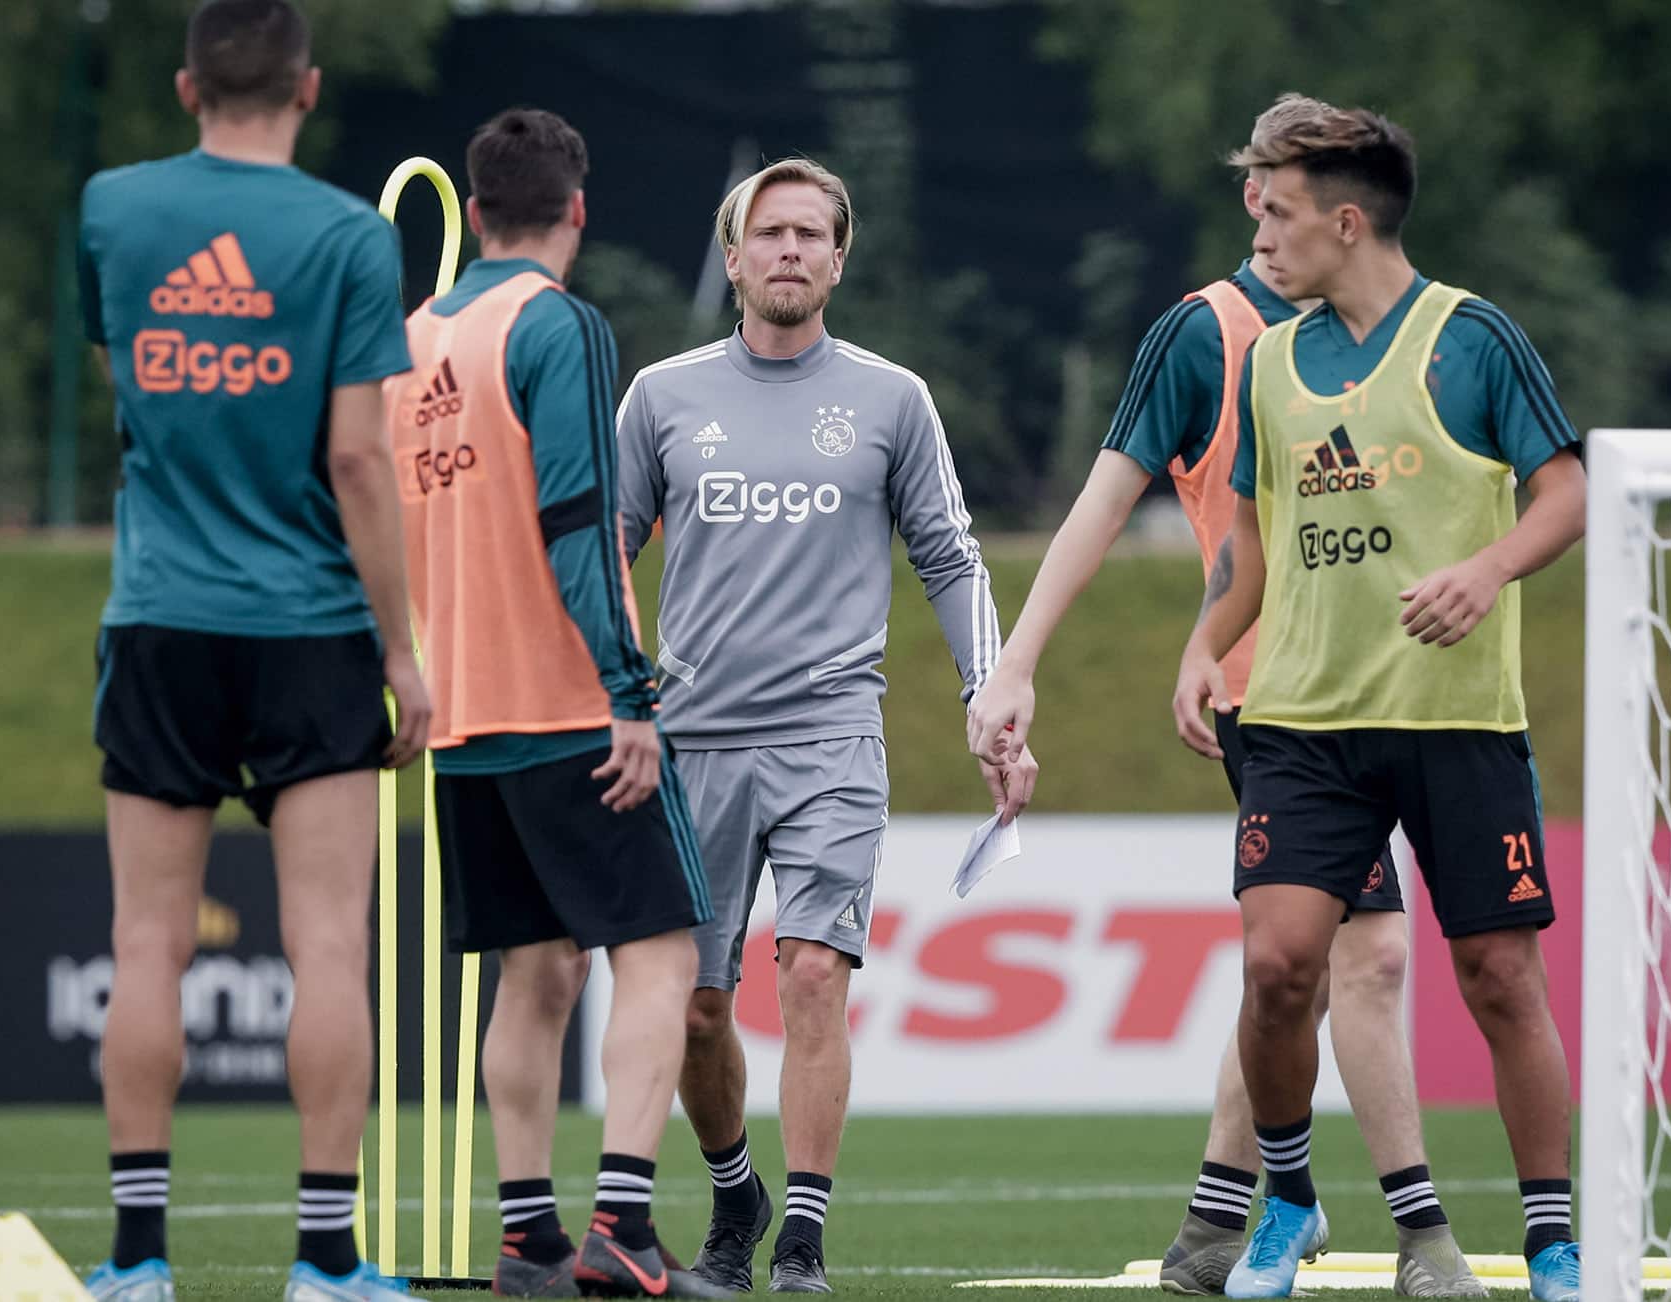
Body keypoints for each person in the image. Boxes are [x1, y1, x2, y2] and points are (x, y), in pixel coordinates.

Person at [966, 96, 1484, 1299]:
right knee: (1368, 958)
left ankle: (1219, 1216)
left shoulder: (1406, 326)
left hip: (1405, 695)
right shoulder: (1207, 331)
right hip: (1278, 698)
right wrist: (1017, 661)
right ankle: (1421, 1238)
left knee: (1283, 963)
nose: (1260, 201)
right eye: (1252, 179)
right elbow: (1101, 501)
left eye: (1284, 182)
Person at [1156, 98, 1586, 1301]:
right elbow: (1250, 537)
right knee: (1278, 965)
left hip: (1457, 722)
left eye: (1281, 213)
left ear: (1347, 222)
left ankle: (1551, 1240)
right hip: (1304, 725)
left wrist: (1486, 566)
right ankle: (1287, 1201)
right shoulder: (1275, 362)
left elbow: (1566, 492)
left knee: (1500, 977)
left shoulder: (1470, 338)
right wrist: (1202, 647)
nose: (1262, 234)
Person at [615, 157, 1036, 1295]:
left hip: (831, 737)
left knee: (809, 972)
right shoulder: (660, 396)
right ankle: (734, 1189)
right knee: (700, 1010)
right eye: (770, 233)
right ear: (734, 253)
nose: (791, 250)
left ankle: (798, 1241)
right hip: (692, 742)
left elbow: (949, 554)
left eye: (812, 234)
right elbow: (602, 551)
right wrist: (610, 697)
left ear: (839, 260)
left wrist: (986, 695)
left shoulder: (893, 399)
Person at [76, 2, 427, 1298]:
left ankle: (137, 1260)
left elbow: (128, 374)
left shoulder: (113, 208)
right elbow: (355, 455)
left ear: (184, 87)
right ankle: (326, 1263)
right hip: (310, 630)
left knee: (145, 942)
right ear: (310, 86)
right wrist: (407, 651)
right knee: (327, 948)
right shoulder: (348, 237)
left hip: (159, 617)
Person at [385, 107, 729, 1300]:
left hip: (459, 714)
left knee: (533, 973)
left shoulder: (410, 334)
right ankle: (620, 1224)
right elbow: (578, 523)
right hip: (570, 708)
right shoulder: (558, 325)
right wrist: (629, 695)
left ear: (475, 213)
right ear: (577, 210)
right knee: (662, 953)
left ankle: (526, 1232)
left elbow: (365, 526)